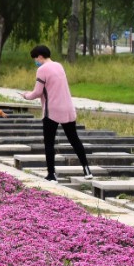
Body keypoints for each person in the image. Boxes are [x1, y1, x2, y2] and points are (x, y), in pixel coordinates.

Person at [22, 45, 93, 180]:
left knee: (49, 143)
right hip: (67, 108)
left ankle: (51, 174)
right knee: (74, 140)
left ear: (40, 56)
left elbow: (37, 92)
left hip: (52, 110)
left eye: (35, 58)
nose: (35, 61)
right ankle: (87, 170)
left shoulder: (42, 69)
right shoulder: (59, 65)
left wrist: (26, 95)